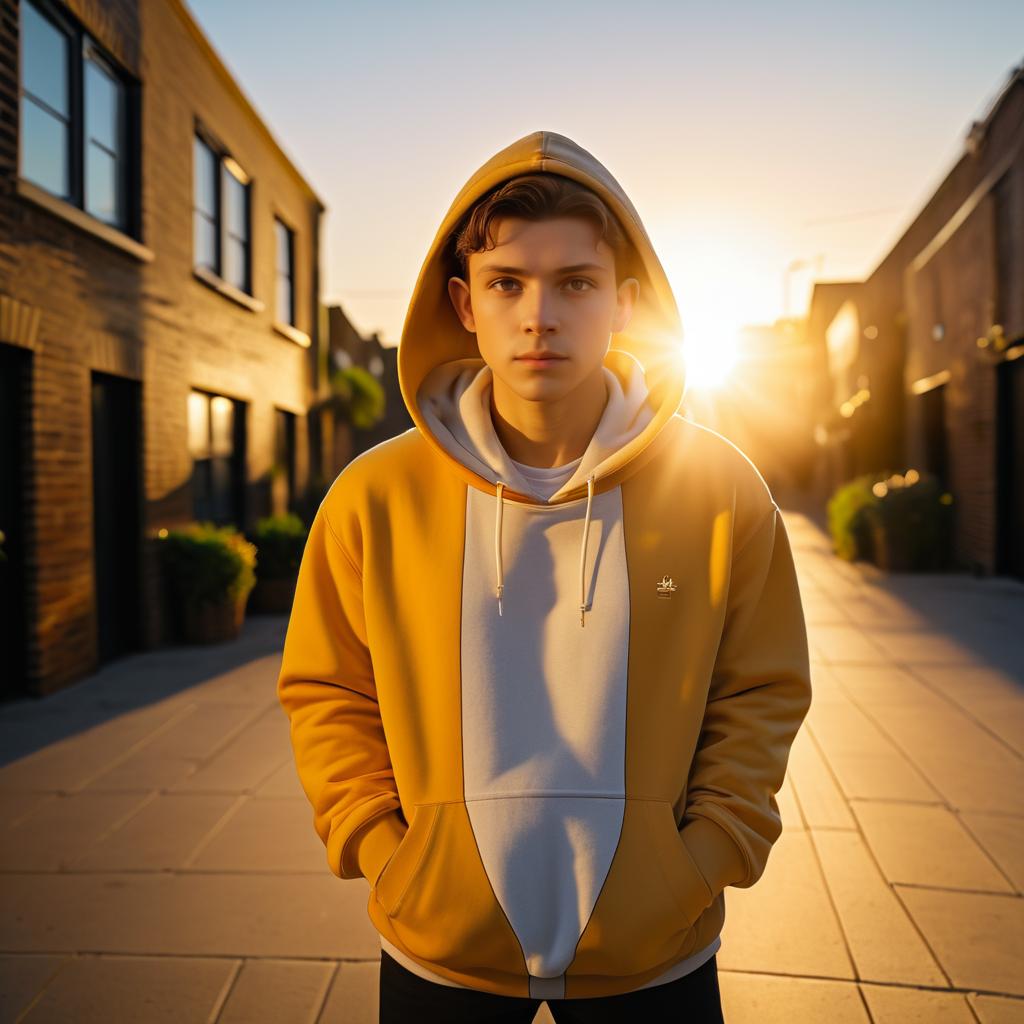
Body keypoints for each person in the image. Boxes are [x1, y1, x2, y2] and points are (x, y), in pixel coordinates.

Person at [277, 130, 813, 1023]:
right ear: (465, 301)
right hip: (438, 947)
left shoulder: (720, 490)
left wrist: (701, 860)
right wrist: (386, 854)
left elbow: (761, 690)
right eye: (507, 283)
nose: (540, 315)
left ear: (624, 303)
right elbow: (327, 690)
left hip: (657, 953)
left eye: (576, 283)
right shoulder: (373, 496)